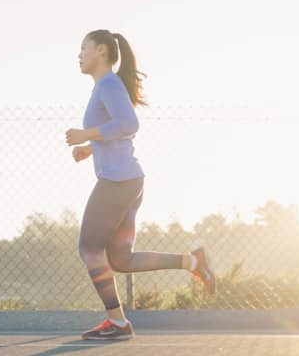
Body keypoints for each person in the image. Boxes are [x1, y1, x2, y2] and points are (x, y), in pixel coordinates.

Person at [65, 29, 216, 341]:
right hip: (129, 180)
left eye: (84, 48)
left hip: (118, 182)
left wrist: (86, 135)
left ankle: (118, 323)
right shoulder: (106, 86)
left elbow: (130, 124)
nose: (79, 54)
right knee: (120, 259)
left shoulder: (107, 83)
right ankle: (193, 261)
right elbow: (120, 130)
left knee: (89, 248)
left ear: (102, 51)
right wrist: (90, 149)